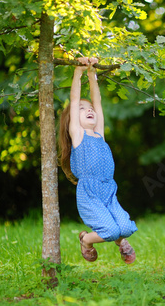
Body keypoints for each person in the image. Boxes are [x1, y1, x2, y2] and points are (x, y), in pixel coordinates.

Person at [59, 57, 137, 264]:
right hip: (90, 193)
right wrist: (78, 72)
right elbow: (74, 100)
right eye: (82, 110)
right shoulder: (78, 135)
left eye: (90, 108)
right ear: (73, 119)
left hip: (108, 190)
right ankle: (86, 240)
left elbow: (98, 102)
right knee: (111, 231)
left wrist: (92, 72)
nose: (89, 110)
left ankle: (120, 240)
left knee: (126, 227)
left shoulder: (99, 134)